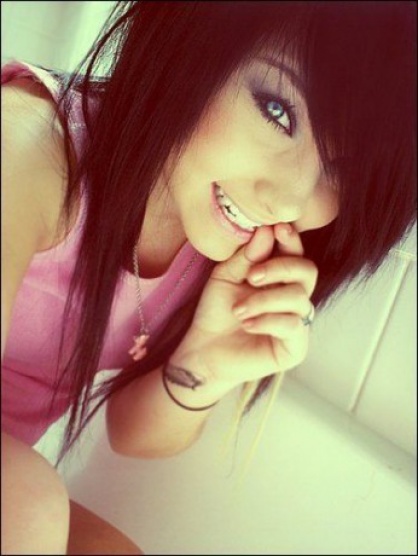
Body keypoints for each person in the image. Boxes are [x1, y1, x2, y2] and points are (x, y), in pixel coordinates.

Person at [1, 1, 416, 554]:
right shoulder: (28, 149)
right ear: (190, 46)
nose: (289, 201)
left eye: (341, 171)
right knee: (31, 502)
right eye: (277, 112)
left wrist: (205, 363)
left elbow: (133, 436)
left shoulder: (216, 238)